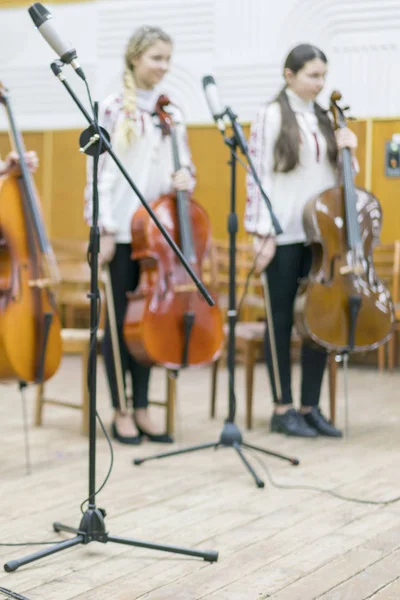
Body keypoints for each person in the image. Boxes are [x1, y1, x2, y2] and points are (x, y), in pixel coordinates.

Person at [84, 26, 196, 444]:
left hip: (158, 236)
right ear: (135, 59)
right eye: (156, 58)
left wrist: (187, 177)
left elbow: (182, 166)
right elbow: (97, 174)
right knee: (117, 326)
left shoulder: (173, 112)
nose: (163, 67)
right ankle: (121, 410)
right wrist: (103, 229)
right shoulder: (113, 108)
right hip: (122, 231)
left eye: (167, 58)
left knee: (150, 324)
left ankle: (145, 407)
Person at [245, 44, 358, 438]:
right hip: (283, 234)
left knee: (319, 320)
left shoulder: (328, 118)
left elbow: (342, 176)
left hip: (322, 238)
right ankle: (282, 407)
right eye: (312, 75)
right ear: (289, 75)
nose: (320, 83)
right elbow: (256, 175)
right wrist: (262, 232)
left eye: (323, 75)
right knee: (279, 320)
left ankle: (310, 407)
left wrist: (350, 151)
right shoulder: (270, 114)